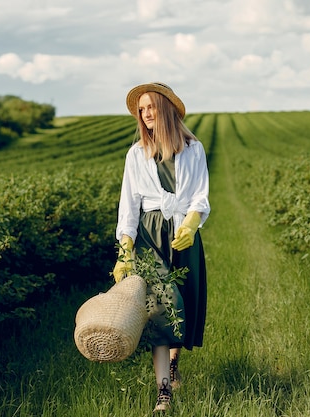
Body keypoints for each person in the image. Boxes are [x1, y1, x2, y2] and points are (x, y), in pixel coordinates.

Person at [113, 82, 210, 413]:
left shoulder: (192, 149)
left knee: (181, 305)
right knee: (161, 308)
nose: (146, 113)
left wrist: (192, 224)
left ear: (167, 108)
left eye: (150, 106)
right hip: (151, 237)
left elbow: (200, 195)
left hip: (183, 233)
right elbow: (129, 206)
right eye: (141, 109)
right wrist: (125, 253)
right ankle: (163, 391)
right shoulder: (136, 153)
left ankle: (172, 364)